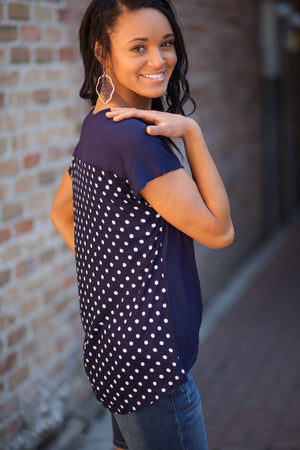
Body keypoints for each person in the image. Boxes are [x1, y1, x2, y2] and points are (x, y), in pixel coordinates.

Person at [50, 0, 234, 449]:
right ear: (101, 52)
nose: (159, 60)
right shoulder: (137, 139)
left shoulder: (98, 124)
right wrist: (192, 133)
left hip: (114, 352)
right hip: (154, 367)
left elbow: (60, 212)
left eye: (166, 43)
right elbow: (219, 231)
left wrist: (116, 279)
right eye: (138, 47)